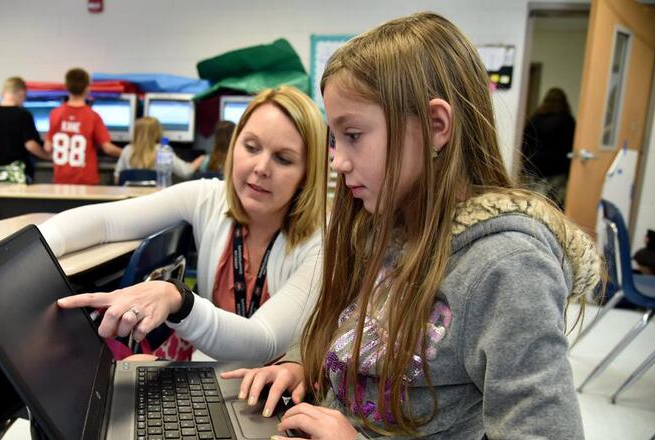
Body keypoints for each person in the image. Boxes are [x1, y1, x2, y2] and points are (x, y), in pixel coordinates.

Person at [222, 13, 602, 440]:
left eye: (353, 135)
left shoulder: (508, 268)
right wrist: (300, 363)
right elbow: (350, 331)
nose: (337, 161)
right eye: (335, 138)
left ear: (436, 126)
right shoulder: (381, 226)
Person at [42, 86, 326, 362]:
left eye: (283, 159)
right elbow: (106, 221)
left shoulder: (321, 240)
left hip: (273, 393)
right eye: (251, 147)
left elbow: (264, 342)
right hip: (209, 372)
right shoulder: (209, 198)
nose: (261, 167)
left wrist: (179, 299)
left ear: (307, 173)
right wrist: (34, 245)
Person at [44, 68, 122, 185]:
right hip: (86, 181)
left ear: (66, 86)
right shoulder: (93, 116)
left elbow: (48, 147)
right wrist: (128, 153)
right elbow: (108, 148)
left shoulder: (55, 113)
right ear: (87, 88)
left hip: (61, 180)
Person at [0, 76, 50, 180]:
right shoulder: (23, 115)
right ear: (21, 93)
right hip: (19, 174)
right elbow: (30, 145)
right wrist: (47, 156)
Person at [521, 87, 576, 208]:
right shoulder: (567, 121)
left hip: (533, 167)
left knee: (531, 204)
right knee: (552, 206)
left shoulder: (535, 119)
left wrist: (524, 165)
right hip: (556, 170)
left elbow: (525, 145)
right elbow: (569, 148)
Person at [113, 116, 204, 183]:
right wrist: (200, 159)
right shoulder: (163, 150)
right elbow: (186, 172)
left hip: (131, 202)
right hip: (156, 202)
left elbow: (117, 178)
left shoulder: (127, 150)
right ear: (157, 132)